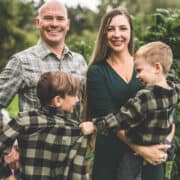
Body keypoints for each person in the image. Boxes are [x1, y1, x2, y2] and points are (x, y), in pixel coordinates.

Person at [0, 0, 87, 177]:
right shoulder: (21, 61)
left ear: (67, 24)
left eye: (60, 19)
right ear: (38, 23)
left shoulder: (79, 62)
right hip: (35, 161)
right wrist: (8, 147)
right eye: (48, 18)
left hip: (72, 161)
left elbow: (85, 107)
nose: (54, 24)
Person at [82, 8, 171, 180]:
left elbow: (167, 105)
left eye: (123, 28)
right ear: (103, 33)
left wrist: (164, 143)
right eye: (111, 29)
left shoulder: (148, 66)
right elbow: (110, 118)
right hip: (112, 157)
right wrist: (143, 150)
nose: (117, 34)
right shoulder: (97, 72)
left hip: (151, 156)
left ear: (131, 31)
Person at [0, 72, 89, 180]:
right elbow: (78, 174)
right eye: (74, 95)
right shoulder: (75, 131)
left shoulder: (24, 120)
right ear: (57, 100)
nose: (77, 100)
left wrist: (8, 175)